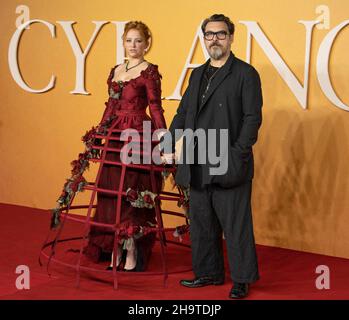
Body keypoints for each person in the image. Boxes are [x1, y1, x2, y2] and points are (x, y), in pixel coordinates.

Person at [161, 14, 263, 298]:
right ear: (203, 38)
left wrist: (237, 153)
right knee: (202, 221)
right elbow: (183, 113)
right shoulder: (197, 73)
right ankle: (208, 273)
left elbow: (252, 118)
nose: (214, 39)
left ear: (230, 37)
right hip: (197, 158)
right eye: (209, 34)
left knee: (236, 224)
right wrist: (169, 141)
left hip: (229, 160)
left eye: (220, 34)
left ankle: (242, 280)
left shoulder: (245, 73)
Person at [83, 20, 167, 271]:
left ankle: (131, 250)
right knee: (110, 192)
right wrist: (98, 134)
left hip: (138, 136)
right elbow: (110, 106)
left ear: (146, 44)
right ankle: (114, 249)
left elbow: (155, 106)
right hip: (115, 136)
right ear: (123, 43)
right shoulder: (116, 70)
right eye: (129, 40)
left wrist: (163, 136)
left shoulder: (149, 71)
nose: (133, 45)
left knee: (131, 193)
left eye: (138, 41)